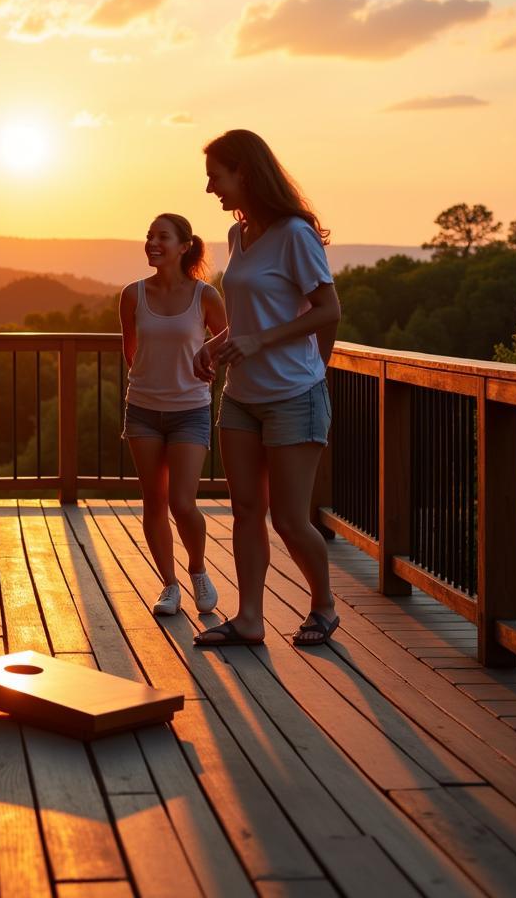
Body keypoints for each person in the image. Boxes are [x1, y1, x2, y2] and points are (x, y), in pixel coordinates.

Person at [194, 129, 341, 648]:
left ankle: (322, 605)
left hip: (292, 396)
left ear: (245, 172)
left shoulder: (294, 234)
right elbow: (250, 318)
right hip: (240, 396)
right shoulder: (240, 236)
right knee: (246, 511)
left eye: (216, 175)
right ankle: (250, 618)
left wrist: (267, 346)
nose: (211, 187)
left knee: (289, 519)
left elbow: (328, 311)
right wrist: (218, 344)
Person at [120, 214, 228, 618]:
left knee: (183, 503)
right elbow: (130, 350)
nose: (152, 242)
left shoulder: (205, 296)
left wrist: (207, 360)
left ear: (184, 246)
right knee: (154, 502)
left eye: (162, 237)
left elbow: (229, 336)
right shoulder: (132, 294)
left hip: (191, 410)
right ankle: (169, 585)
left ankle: (198, 570)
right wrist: (152, 376)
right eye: (149, 235)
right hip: (143, 409)